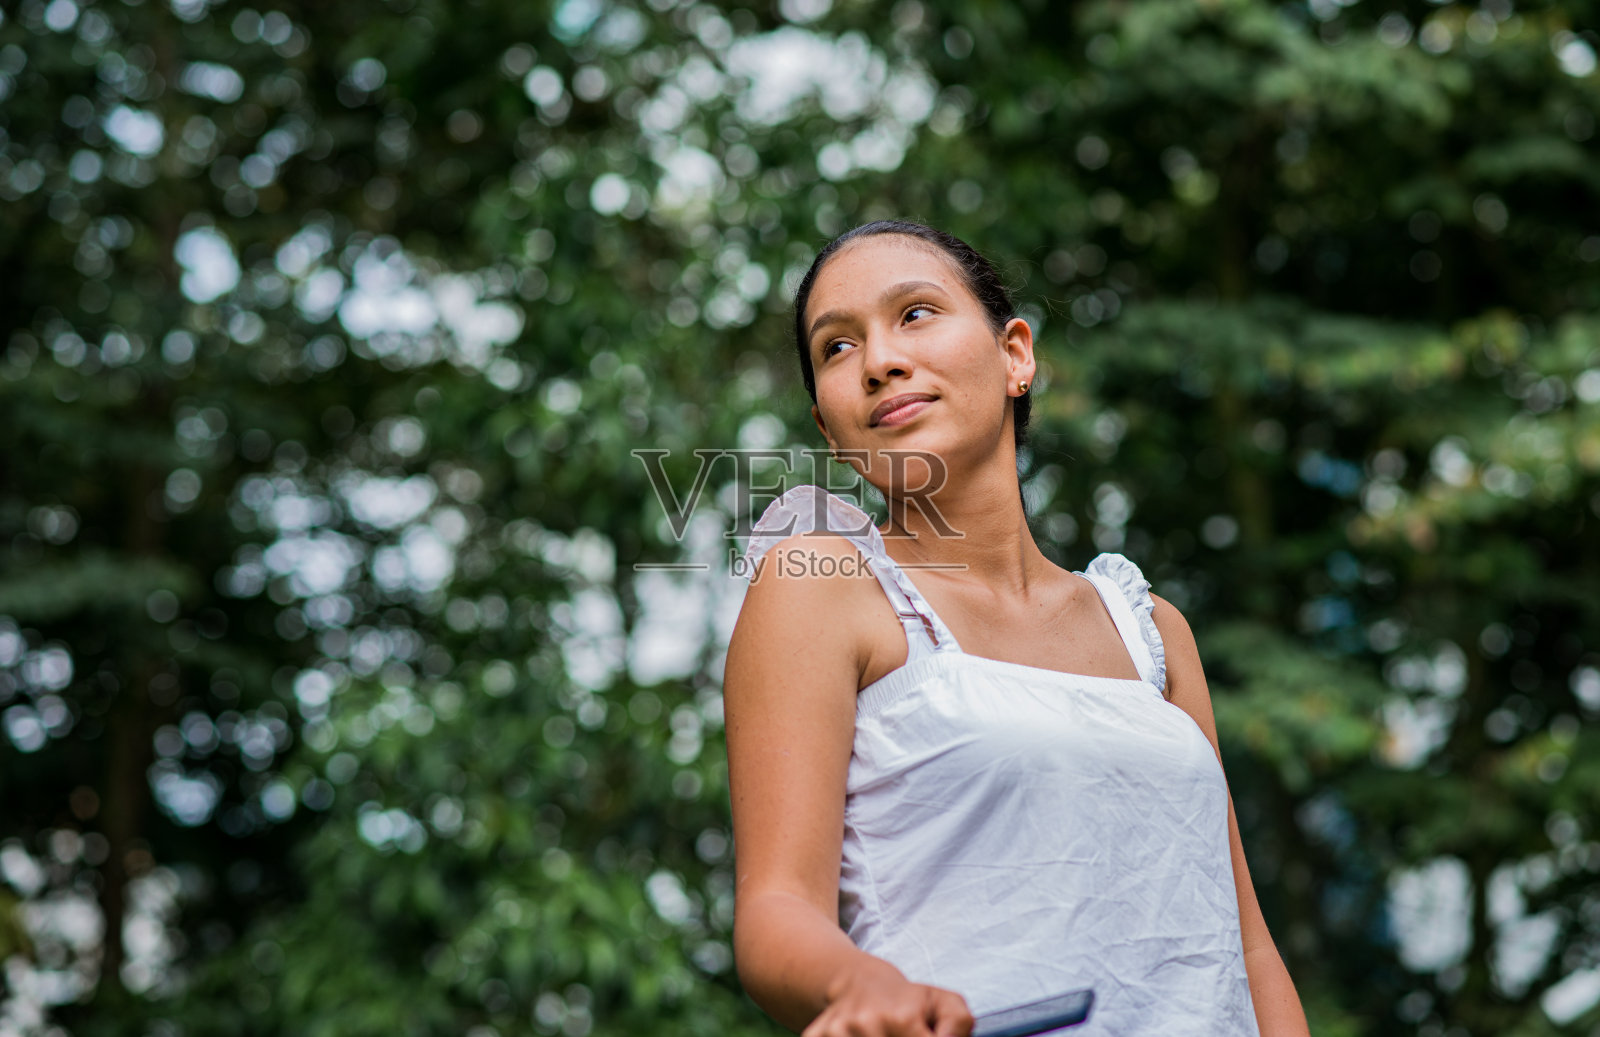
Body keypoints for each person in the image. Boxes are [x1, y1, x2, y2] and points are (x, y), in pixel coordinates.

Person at [722, 220, 1311, 1037]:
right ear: (828, 428)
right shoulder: (823, 589)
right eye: (836, 348)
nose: (880, 359)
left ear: (1016, 356)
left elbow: (1243, 946)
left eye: (916, 313)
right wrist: (856, 983)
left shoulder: (1150, 631)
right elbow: (775, 907)